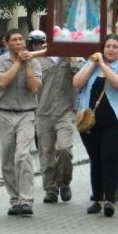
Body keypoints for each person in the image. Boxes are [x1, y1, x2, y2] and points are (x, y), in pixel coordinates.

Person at [72, 34, 118, 218]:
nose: (110, 49)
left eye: (115, 47)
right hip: (90, 122)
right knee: (96, 159)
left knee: (110, 158)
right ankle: (97, 199)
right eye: (107, 46)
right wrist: (93, 64)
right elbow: (76, 83)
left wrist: (103, 66)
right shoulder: (91, 64)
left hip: (116, 124)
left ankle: (110, 199)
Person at [0, 29, 42, 216]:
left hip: (26, 113)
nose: (19, 42)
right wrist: (18, 63)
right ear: (7, 43)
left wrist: (27, 64)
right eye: (14, 40)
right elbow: (3, 82)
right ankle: (15, 199)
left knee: (23, 155)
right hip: (4, 113)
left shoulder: (34, 62)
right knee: (8, 159)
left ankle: (26, 200)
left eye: (21, 39)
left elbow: (34, 87)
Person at [28, 30, 77, 204]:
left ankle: (64, 183)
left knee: (64, 149)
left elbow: (80, 74)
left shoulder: (70, 57)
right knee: (46, 154)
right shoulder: (38, 59)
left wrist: (71, 57)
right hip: (43, 112)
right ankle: (50, 188)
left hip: (65, 111)